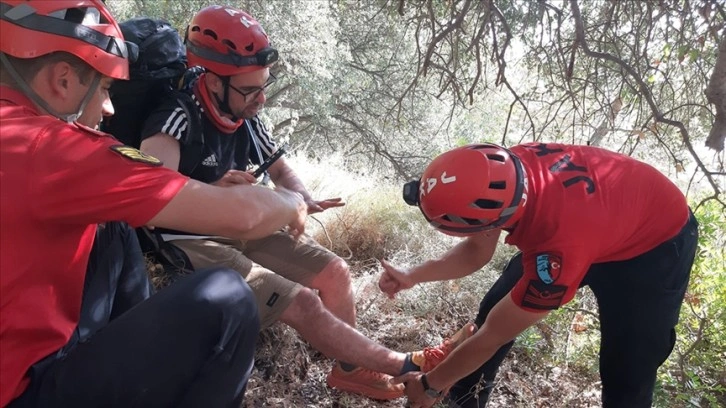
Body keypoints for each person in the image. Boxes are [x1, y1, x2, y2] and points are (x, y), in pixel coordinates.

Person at [0, 0, 313, 406]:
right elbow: (245, 216)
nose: (110, 109)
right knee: (228, 297)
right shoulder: (52, 148)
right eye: (107, 89)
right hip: (23, 390)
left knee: (112, 225)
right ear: (62, 79)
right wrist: (292, 202)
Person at [136, 5, 407, 400]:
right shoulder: (176, 116)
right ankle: (404, 364)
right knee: (303, 305)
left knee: (336, 271)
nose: (261, 99)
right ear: (213, 82)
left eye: (264, 85)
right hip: (189, 239)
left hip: (243, 226)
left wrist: (300, 196)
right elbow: (152, 196)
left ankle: (351, 369)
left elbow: (282, 169)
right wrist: (211, 188)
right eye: (249, 90)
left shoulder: (246, 116)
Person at [380, 142, 699, 408]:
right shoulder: (502, 169)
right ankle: (464, 399)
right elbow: (477, 251)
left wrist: (431, 385)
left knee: (628, 371)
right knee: (494, 306)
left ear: (494, 223)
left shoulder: (557, 249)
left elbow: (494, 335)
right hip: (596, 223)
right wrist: (414, 274)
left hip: (655, 248)